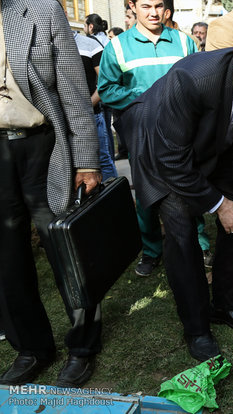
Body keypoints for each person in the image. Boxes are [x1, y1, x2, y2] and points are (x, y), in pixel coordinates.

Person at [114, 21, 233, 360]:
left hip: (215, 145)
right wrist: (217, 204)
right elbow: (172, 160)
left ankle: (227, 305)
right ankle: (197, 327)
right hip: (160, 147)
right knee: (180, 230)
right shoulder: (192, 78)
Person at [0, 0, 102, 387]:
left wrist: (87, 161)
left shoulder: (41, 10)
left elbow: (75, 92)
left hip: (45, 146)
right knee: (7, 256)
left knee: (63, 248)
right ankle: (31, 348)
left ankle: (82, 346)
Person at [98, 0, 197, 277]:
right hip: (141, 134)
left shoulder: (183, 41)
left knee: (189, 186)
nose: (153, 12)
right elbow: (106, 91)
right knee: (145, 195)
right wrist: (146, 95)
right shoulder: (117, 46)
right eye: (145, 6)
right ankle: (151, 250)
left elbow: (197, 80)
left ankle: (199, 245)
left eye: (158, 5)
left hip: (182, 133)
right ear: (132, 6)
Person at [73, 31, 118, 181]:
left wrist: (88, 106)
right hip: (60, 120)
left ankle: (114, 202)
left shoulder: (89, 45)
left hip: (92, 116)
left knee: (102, 160)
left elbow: (107, 81)